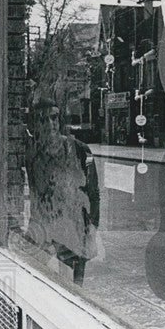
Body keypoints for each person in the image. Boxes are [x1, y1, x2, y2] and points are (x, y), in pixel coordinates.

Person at [24, 98, 100, 284]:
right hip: (42, 229)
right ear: (35, 124)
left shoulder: (80, 150)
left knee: (73, 288)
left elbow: (93, 193)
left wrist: (92, 228)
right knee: (36, 283)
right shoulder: (32, 153)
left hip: (72, 230)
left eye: (54, 118)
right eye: (43, 120)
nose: (51, 124)